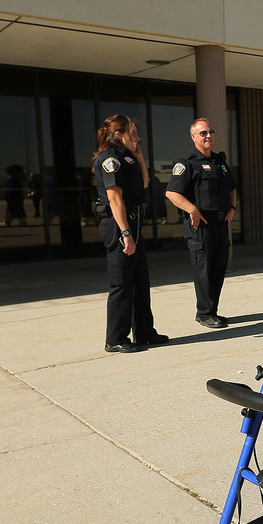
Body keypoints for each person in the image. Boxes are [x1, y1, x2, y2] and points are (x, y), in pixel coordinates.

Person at [94, 115, 167, 352]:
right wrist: (125, 233)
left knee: (139, 281)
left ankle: (144, 332)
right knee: (122, 284)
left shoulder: (128, 157)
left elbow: (145, 184)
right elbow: (115, 199)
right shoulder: (110, 160)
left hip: (133, 224)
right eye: (133, 133)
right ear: (119, 135)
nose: (137, 137)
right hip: (119, 225)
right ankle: (115, 338)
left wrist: (139, 155)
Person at [166, 117, 237, 328]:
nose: (208, 136)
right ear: (193, 137)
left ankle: (212, 310)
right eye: (203, 133)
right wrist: (192, 210)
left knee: (218, 268)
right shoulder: (187, 163)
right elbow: (172, 193)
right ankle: (204, 313)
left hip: (220, 224)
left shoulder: (219, 162)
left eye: (210, 132)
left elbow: (232, 187)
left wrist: (232, 208)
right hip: (200, 226)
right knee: (204, 270)